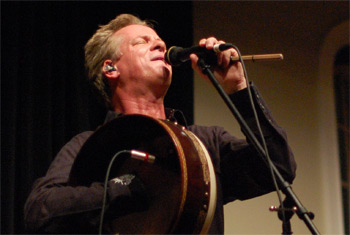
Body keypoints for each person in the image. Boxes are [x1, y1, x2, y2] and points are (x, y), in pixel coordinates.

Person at [24, 14, 296, 234]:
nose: (160, 46)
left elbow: (278, 166)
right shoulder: (89, 147)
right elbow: (40, 212)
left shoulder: (203, 144)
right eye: (142, 42)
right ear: (110, 69)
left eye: (160, 42)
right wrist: (124, 188)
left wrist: (239, 89)